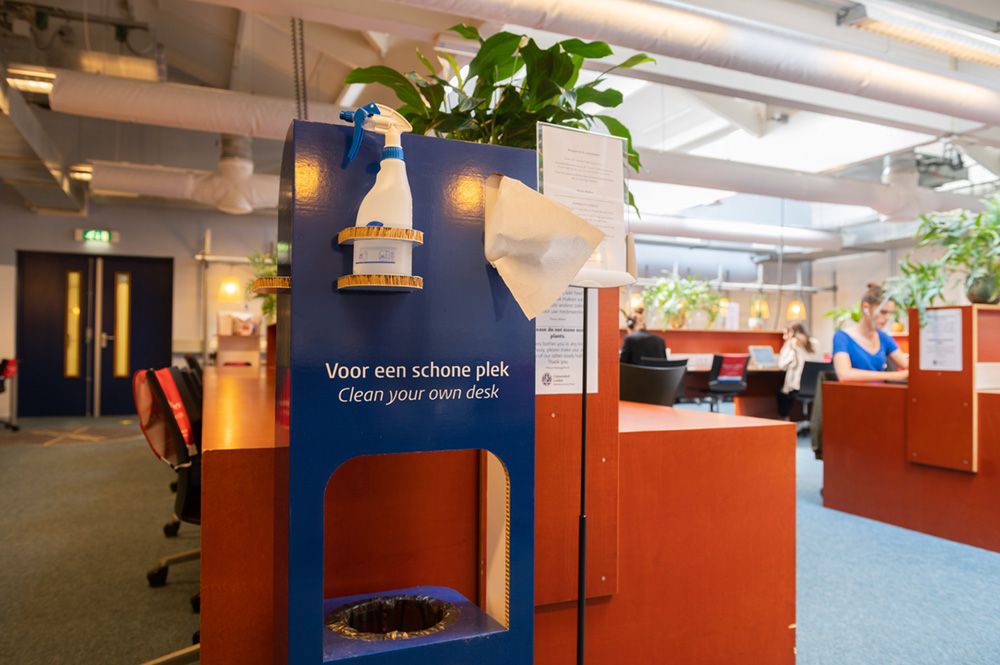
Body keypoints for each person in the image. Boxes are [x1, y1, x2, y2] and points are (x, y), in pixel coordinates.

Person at [832, 282, 909, 383]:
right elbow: (844, 374)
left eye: (890, 313)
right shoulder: (842, 337)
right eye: (883, 312)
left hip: (880, 392)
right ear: (866, 309)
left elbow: (908, 366)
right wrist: (895, 375)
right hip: (854, 392)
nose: (888, 318)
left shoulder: (884, 338)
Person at [776, 322, 823, 420]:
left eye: (785, 334)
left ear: (792, 332)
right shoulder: (815, 342)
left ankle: (786, 420)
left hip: (798, 386)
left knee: (781, 392)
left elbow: (782, 365)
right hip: (816, 385)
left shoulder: (792, 343)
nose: (784, 337)